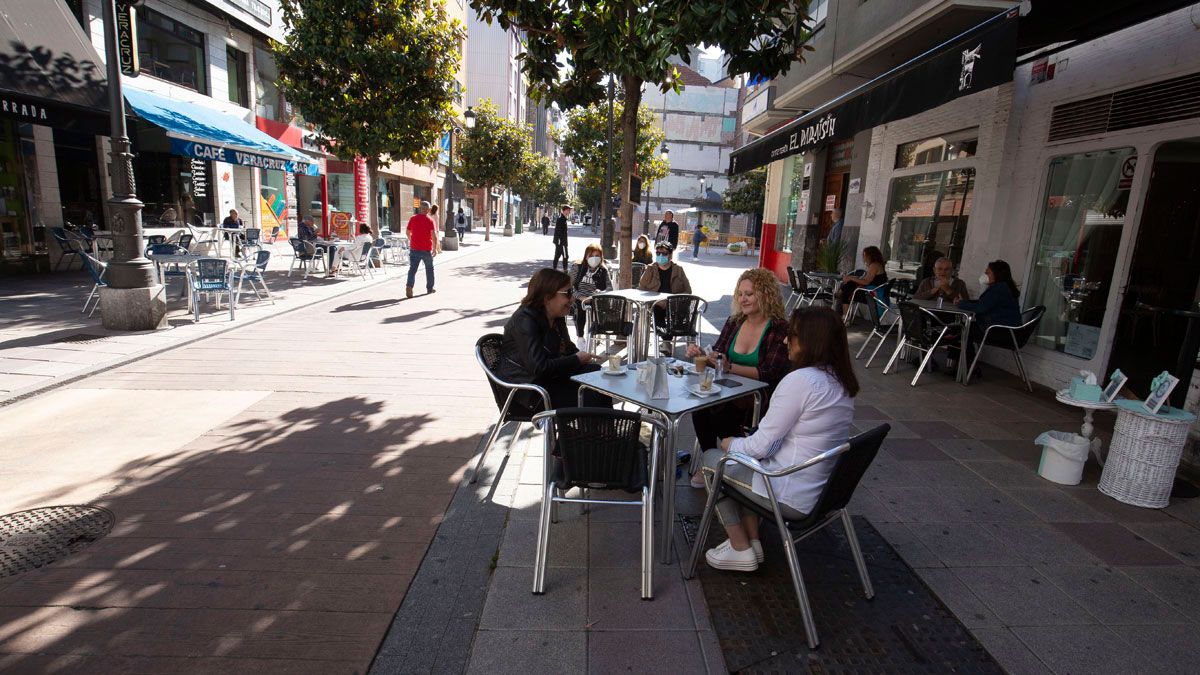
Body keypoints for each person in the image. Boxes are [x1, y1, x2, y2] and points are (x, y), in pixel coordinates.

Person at [700, 307, 858, 571]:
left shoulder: (800, 381)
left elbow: (760, 447)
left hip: (789, 493)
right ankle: (755, 541)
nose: (785, 341)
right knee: (744, 459)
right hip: (822, 490)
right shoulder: (842, 382)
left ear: (811, 341)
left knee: (712, 461)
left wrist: (729, 444)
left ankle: (740, 548)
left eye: (792, 335)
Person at [686, 268, 791, 488]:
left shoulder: (779, 328)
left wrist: (730, 366)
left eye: (750, 294)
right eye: (740, 294)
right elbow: (717, 353)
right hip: (727, 388)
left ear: (765, 294)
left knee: (720, 413)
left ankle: (727, 466)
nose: (743, 299)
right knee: (700, 406)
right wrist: (703, 355)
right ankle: (711, 464)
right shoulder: (735, 321)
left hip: (760, 397)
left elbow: (769, 372)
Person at [498, 268, 612, 410]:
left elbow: (569, 350)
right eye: (568, 293)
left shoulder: (556, 316)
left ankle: (602, 431)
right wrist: (577, 359)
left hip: (549, 380)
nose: (572, 299)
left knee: (600, 377)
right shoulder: (525, 320)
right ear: (547, 297)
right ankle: (588, 431)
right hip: (528, 392)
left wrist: (582, 359)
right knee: (592, 394)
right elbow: (539, 368)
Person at [952, 259, 1022, 372]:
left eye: (988, 272)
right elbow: (984, 303)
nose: (985, 275)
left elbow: (981, 308)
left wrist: (961, 304)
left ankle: (965, 367)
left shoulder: (999, 288)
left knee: (962, 328)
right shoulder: (1003, 287)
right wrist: (963, 303)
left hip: (1001, 332)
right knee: (964, 328)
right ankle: (963, 366)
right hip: (1006, 330)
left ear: (997, 274)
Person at [638, 241, 692, 355]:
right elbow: (641, 289)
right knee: (656, 312)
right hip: (655, 304)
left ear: (670, 255)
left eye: (664, 253)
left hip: (674, 305)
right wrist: (656, 301)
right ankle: (666, 341)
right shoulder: (651, 269)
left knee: (673, 313)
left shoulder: (678, 270)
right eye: (658, 253)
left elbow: (688, 291)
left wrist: (671, 301)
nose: (661, 256)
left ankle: (666, 342)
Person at [571, 244, 610, 339]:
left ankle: (594, 335)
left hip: (596, 299)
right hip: (579, 297)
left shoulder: (603, 270)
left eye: (597, 256)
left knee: (601, 311)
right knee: (580, 309)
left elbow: (609, 289)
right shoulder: (577, 267)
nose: (594, 258)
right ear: (586, 256)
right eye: (591, 256)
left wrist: (600, 293)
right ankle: (580, 337)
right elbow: (570, 286)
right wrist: (581, 297)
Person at [836, 245, 889, 312]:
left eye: (865, 255)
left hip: (873, 295)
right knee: (849, 287)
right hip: (872, 292)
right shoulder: (877, 264)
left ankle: (843, 314)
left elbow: (866, 281)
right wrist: (852, 278)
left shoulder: (874, 265)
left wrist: (851, 278)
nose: (864, 258)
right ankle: (844, 315)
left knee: (846, 292)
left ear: (870, 255)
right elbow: (865, 280)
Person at [406, 200, 440, 298]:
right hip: (426, 249)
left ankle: (409, 286)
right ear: (428, 210)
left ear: (420, 208)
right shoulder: (430, 220)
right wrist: (435, 248)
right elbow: (434, 235)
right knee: (429, 269)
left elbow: (407, 232)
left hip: (414, 248)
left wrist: (411, 239)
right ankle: (430, 288)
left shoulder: (413, 218)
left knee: (412, 269)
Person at [553, 205, 571, 272]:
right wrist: (560, 242)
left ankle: (555, 269)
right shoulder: (561, 219)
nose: (569, 212)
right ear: (565, 210)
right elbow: (558, 232)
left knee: (558, 255)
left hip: (561, 242)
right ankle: (565, 270)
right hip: (562, 242)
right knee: (565, 256)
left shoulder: (563, 219)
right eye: (568, 210)